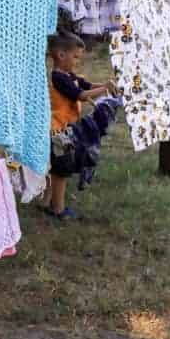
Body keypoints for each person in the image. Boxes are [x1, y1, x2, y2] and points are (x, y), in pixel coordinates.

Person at [47, 32, 117, 220]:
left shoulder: (69, 75)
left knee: (54, 168)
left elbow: (87, 85)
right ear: (62, 55)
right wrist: (104, 89)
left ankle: (48, 202)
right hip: (57, 131)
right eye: (76, 57)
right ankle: (58, 210)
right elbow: (81, 95)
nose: (78, 62)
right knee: (60, 171)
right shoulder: (58, 78)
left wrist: (105, 84)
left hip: (65, 129)